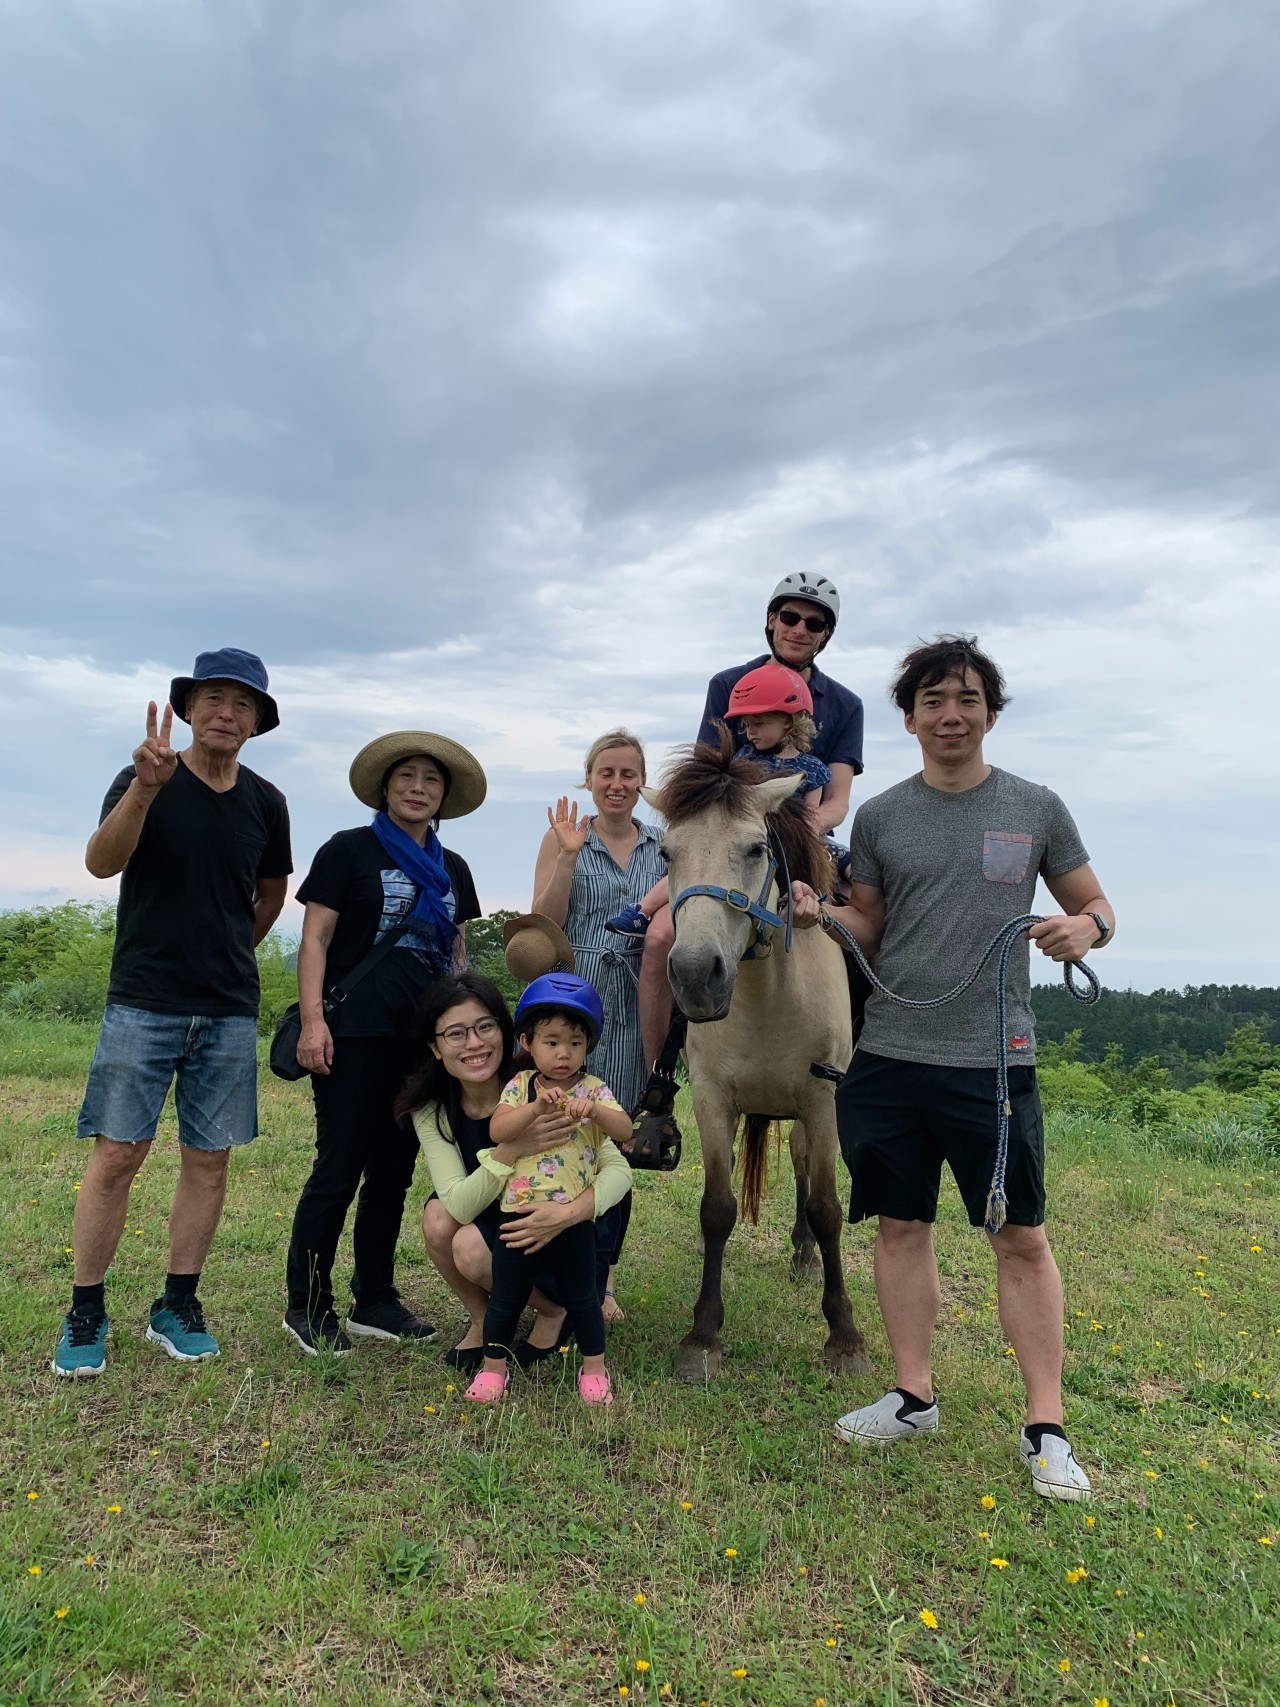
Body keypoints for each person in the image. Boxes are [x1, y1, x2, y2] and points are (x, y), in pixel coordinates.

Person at [789, 635, 1115, 1501]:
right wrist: (823, 914)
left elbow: (1096, 903)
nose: (950, 715)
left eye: (967, 699)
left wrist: (1086, 928)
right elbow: (872, 922)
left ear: (990, 714)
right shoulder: (881, 816)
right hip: (890, 1052)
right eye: (932, 701)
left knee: (1020, 1235)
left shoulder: (1036, 807)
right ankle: (912, 1395)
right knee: (900, 1226)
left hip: (995, 1061)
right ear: (909, 719)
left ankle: (1046, 1427)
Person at [54, 648, 291, 1377]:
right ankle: (85, 1310)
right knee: (117, 1155)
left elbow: (271, 892)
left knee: (209, 1161)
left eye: (243, 703)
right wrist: (144, 793)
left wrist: (229, 950)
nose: (227, 712)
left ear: (256, 722)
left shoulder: (266, 801)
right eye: (213, 698)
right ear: (187, 709)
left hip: (227, 1008)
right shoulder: (143, 777)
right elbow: (101, 862)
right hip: (143, 1000)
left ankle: (177, 1303)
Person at [282, 731, 484, 1355]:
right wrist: (312, 1022)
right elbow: (315, 939)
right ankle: (307, 1305)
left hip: (422, 1044)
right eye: (406, 776)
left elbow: (455, 951)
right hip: (352, 1034)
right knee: (338, 1168)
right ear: (385, 787)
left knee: (394, 1174)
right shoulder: (348, 850)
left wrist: (463, 1032)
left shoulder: (454, 868)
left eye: (431, 779)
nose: (418, 788)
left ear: (444, 795)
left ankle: (374, 1298)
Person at [629, 573, 865, 1077]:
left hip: (804, 836)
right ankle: (659, 1078)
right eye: (790, 616)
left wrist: (791, 831)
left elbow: (838, 802)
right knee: (659, 939)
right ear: (771, 620)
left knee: (870, 924)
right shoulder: (727, 685)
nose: (799, 628)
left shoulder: (846, 705)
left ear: (826, 633)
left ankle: (866, 1064)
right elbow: (703, 781)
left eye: (814, 622)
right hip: (728, 841)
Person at [403, 972, 633, 1376]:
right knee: (440, 1217)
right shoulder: (434, 1109)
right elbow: (458, 1204)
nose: (474, 1043)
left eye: (485, 1027)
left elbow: (618, 1169)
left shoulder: (548, 1083)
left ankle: (556, 1310)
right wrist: (513, 1148)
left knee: (473, 1240)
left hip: (565, 1221)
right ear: (435, 1047)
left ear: (508, 1033)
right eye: (456, 1034)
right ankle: (484, 1320)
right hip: (508, 1218)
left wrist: (569, 1213)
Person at [531, 728, 662, 1317]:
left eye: (628, 773)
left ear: (642, 782)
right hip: (577, 1003)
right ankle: (558, 1272)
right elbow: (543, 923)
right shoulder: (564, 838)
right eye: (606, 772)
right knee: (566, 1138)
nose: (617, 783)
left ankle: (602, 1278)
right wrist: (566, 856)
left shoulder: (663, 847)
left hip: (639, 1004)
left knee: (615, 1146)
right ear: (588, 779)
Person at [466, 974, 633, 1407]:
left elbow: (624, 1129)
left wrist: (596, 1111)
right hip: (518, 1217)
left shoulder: (593, 1089)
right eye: (552, 1042)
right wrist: (535, 1108)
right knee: (507, 1297)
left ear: (588, 1046)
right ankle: (493, 1369)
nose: (564, 1053)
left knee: (584, 1298)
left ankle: (594, 1369)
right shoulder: (520, 1086)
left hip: (572, 1219)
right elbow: (498, 1130)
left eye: (575, 1043)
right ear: (527, 1042)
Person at [606, 664, 832, 936]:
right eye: (746, 726)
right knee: (694, 862)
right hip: (745, 834)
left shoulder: (812, 768)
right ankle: (641, 910)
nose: (750, 733)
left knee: (845, 868)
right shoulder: (744, 760)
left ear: (787, 721)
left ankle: (853, 946)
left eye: (758, 724)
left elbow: (810, 817)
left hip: (794, 840)